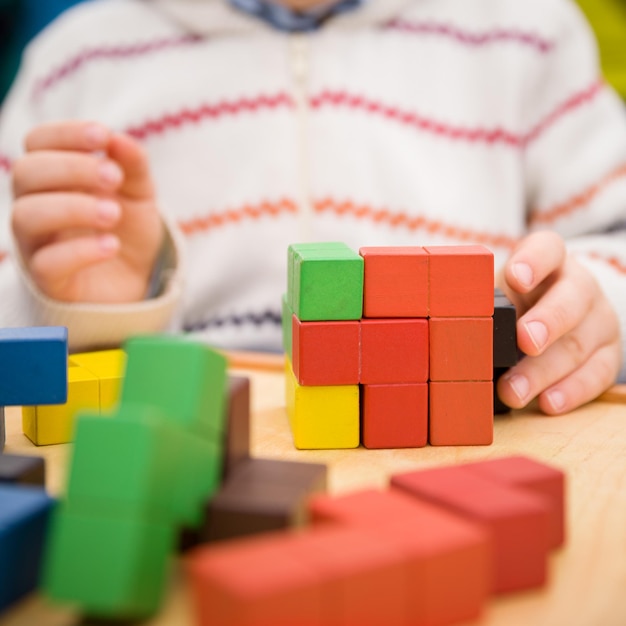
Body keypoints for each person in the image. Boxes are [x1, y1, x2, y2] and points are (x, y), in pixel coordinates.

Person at [0, 0, 625, 417]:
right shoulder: (75, 61)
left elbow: (615, 235)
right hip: (183, 424)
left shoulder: (530, 29)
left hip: (471, 420)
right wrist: (88, 310)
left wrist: (590, 298)